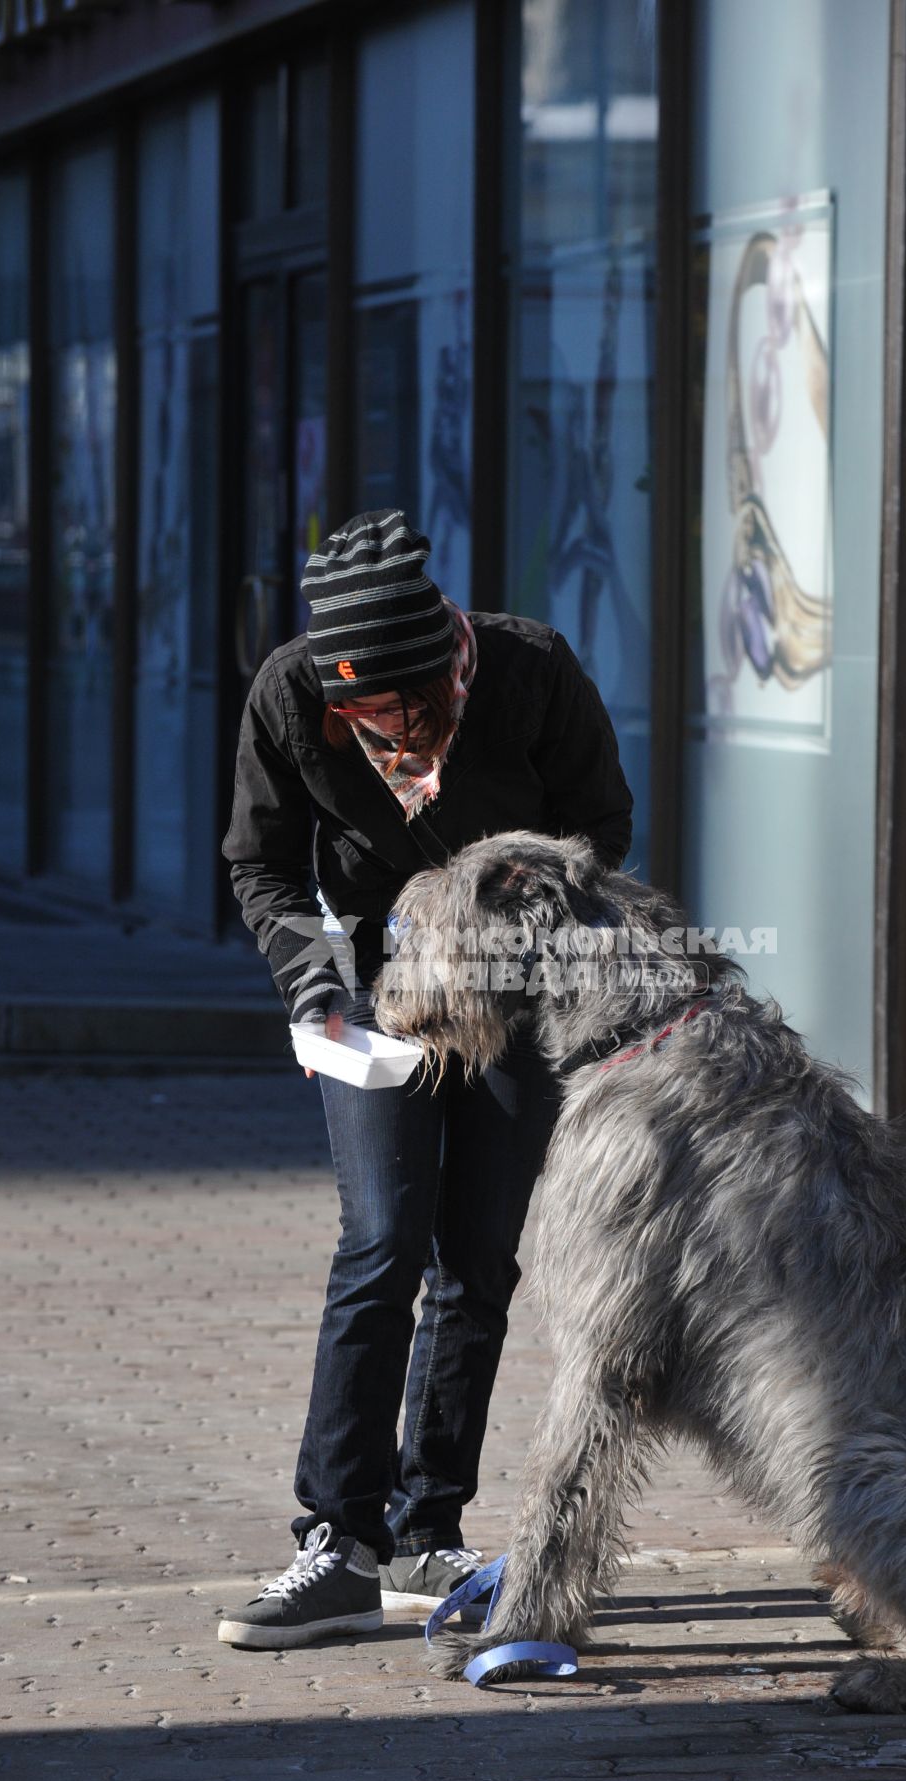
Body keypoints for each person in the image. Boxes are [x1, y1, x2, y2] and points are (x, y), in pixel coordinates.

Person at [216, 509, 633, 1649]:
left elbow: (599, 827)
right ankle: (335, 1542)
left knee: (476, 1258)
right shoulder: (292, 690)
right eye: (354, 710)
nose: (376, 727)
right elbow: (258, 856)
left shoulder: (530, 670)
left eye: (397, 705)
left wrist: (499, 931)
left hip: (506, 999)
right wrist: (313, 977)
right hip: (366, 1001)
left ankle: (426, 1525)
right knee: (379, 1242)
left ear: (440, 664)